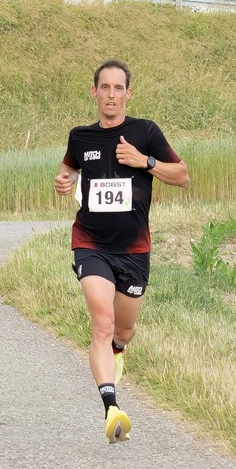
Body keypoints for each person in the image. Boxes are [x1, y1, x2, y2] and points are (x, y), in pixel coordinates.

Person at [55, 60, 188, 442]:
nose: (111, 95)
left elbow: (182, 175)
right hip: (90, 244)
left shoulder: (145, 132)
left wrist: (144, 161)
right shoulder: (80, 137)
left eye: (118, 88)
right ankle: (111, 408)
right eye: (104, 87)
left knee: (123, 331)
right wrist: (63, 182)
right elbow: (67, 170)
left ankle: (117, 351)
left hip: (134, 250)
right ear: (94, 92)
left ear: (128, 93)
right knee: (102, 322)